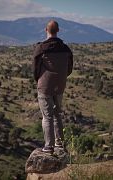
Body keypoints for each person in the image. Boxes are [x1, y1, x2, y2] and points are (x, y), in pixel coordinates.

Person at [33, 20, 73, 153]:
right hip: (60, 85)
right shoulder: (66, 49)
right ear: (58, 30)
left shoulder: (41, 48)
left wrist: (39, 80)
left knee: (47, 116)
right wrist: (61, 78)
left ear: (46, 30)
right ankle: (60, 144)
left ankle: (48, 146)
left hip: (45, 86)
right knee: (57, 114)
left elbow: (35, 69)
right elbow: (69, 69)